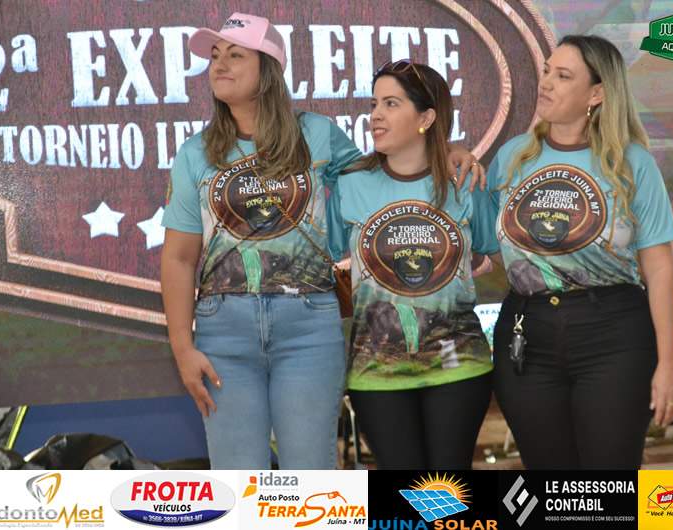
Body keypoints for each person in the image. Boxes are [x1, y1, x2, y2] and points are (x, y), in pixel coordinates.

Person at [160, 13, 483, 469]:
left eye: (235, 55)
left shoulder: (316, 132)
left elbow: (384, 168)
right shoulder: (196, 152)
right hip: (223, 329)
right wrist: (182, 347)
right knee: (239, 482)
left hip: (308, 327)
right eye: (214, 56)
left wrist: (445, 148)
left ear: (269, 68)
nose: (219, 65)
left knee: (311, 480)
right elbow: (178, 258)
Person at [485, 35, 673, 469]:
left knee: (609, 482)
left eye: (563, 76)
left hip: (614, 335)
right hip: (527, 334)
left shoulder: (634, 164)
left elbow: (660, 269)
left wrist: (670, 362)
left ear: (596, 94)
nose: (546, 83)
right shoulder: (511, 157)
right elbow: (482, 244)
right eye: (546, 72)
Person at [329, 60, 497, 470]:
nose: (375, 115)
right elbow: (322, 258)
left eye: (391, 103)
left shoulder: (464, 183)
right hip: (376, 371)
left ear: (426, 118)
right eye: (374, 104)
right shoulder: (351, 184)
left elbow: (496, 251)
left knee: (448, 491)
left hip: (458, 365)